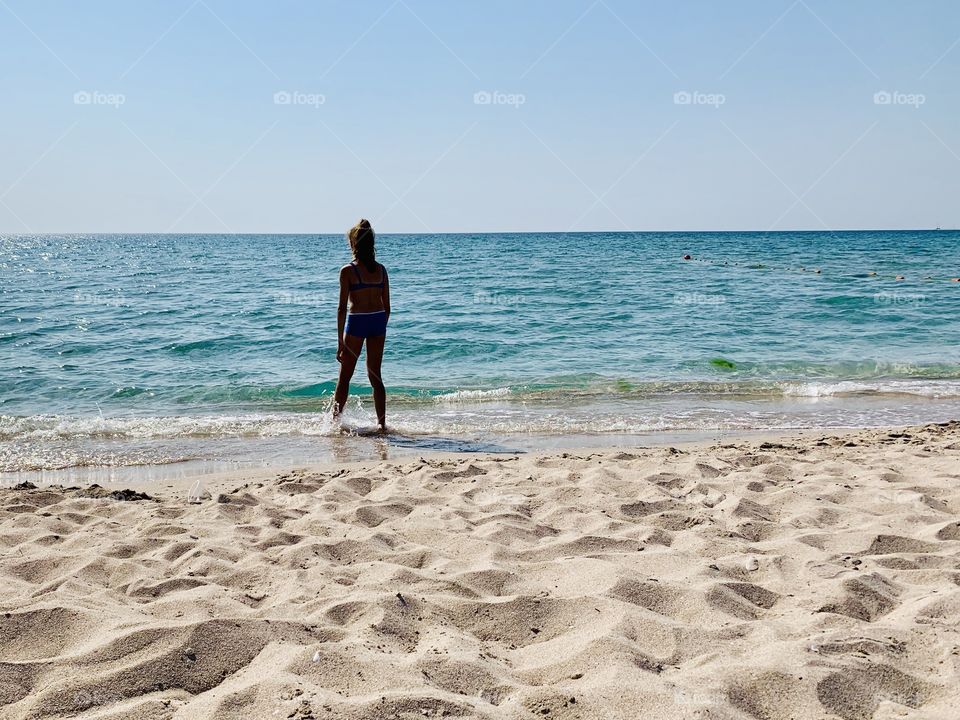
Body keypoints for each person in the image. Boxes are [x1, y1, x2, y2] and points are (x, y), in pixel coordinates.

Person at [333, 219, 390, 431]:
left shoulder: (347, 271)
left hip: (357, 321)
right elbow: (388, 307)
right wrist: (379, 328)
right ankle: (382, 424)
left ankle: (334, 423)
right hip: (377, 321)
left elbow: (341, 309)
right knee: (375, 375)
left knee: (345, 377)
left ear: (353, 243)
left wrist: (340, 342)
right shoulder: (382, 270)